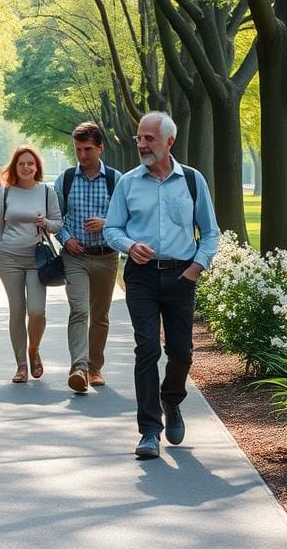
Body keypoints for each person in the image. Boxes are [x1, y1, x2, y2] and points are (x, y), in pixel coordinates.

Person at [104, 112, 219, 460]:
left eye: (148, 139)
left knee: (181, 352)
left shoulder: (193, 181)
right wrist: (129, 245)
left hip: (182, 275)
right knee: (147, 349)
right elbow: (112, 229)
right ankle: (149, 430)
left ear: (169, 141)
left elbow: (209, 231)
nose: (141, 144)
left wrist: (197, 268)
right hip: (141, 277)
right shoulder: (128, 182)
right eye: (139, 138)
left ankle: (172, 400)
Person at [54, 122, 122, 394]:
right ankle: (78, 368)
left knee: (100, 315)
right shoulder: (66, 179)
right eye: (78, 149)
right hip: (75, 256)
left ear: (101, 147)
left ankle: (95, 367)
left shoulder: (116, 180)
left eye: (88, 149)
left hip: (106, 257)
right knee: (80, 310)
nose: (82, 155)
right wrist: (66, 239)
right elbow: (56, 218)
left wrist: (107, 223)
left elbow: (128, 219)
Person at [0, 146, 62, 383]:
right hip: (10, 258)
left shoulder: (46, 193)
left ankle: (34, 348)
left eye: (30, 163)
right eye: (21, 164)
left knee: (37, 311)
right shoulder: (5, 193)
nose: (26, 167)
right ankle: (20, 365)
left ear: (37, 166)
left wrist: (46, 222)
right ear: (15, 167)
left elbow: (58, 223)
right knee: (17, 311)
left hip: (37, 260)